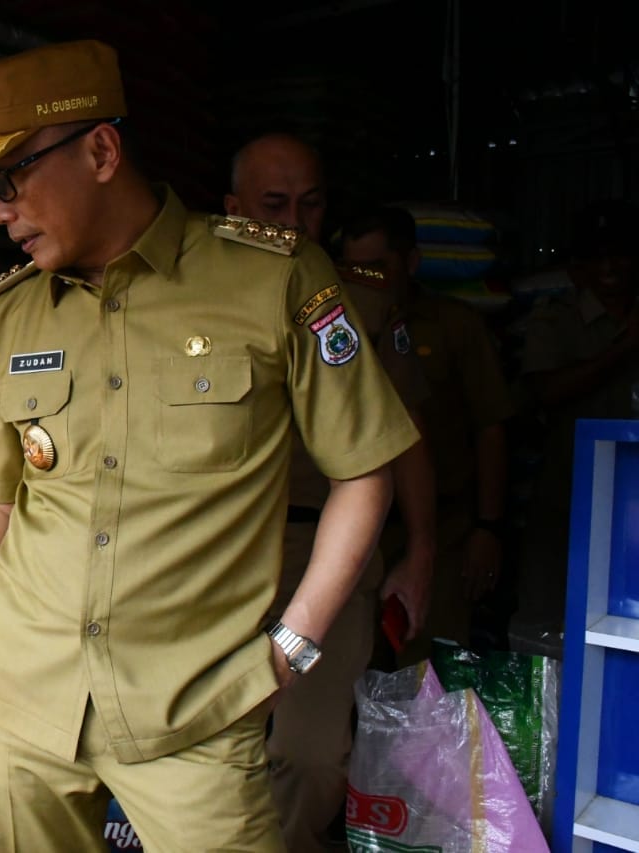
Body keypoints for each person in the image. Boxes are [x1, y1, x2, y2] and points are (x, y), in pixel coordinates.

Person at [0, 41, 420, 852]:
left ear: (101, 151)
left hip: (198, 706)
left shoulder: (274, 279)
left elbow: (363, 468)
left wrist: (297, 638)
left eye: (8, 181)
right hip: (23, 700)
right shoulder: (10, 316)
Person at [224, 134, 436, 851]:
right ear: (232, 209)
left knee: (311, 751)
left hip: (329, 553)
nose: (295, 223)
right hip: (215, 553)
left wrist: (422, 549)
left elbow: (403, 438)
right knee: (214, 747)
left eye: (311, 205)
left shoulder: (363, 303)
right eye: (273, 204)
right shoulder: (192, 301)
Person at [343, 206, 514, 663]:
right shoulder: (334, 324)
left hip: (443, 528)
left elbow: (490, 425)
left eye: (379, 266)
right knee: (350, 672)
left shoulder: (454, 325)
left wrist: (488, 527)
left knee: (428, 672)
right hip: (358, 530)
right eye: (354, 266)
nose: (366, 278)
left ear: (411, 262)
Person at [515, 199, 639, 631]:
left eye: (619, 254)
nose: (610, 267)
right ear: (577, 268)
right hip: (571, 491)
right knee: (554, 617)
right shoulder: (556, 319)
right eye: (596, 256)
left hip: (634, 499)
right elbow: (547, 392)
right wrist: (624, 348)